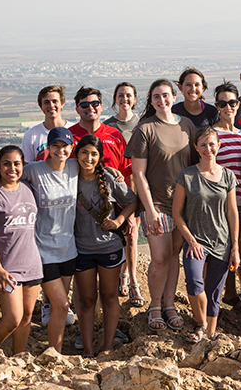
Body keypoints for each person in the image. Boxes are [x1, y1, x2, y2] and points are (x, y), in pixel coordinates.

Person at [125, 79, 196, 331]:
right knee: (160, 256)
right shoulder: (145, 129)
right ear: (151, 100)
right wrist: (150, 211)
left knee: (174, 255)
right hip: (156, 203)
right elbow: (139, 174)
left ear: (174, 96)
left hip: (182, 203)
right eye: (156, 96)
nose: (161, 100)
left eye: (165, 95)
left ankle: (169, 305)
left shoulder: (186, 125)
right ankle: (154, 306)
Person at [72, 86, 140, 308]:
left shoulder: (114, 135)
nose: (90, 108)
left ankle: (111, 327)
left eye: (94, 104)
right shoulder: (71, 136)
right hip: (78, 217)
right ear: (77, 109)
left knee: (109, 291)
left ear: (102, 107)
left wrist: (128, 215)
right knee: (85, 289)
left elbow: (126, 173)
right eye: (84, 104)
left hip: (113, 211)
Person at [0, 145, 43, 354]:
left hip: (32, 264)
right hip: (5, 267)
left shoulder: (29, 189)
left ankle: (18, 358)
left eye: (16, 164)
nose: (12, 168)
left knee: (26, 317)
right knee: (12, 317)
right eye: (6, 163)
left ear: (23, 166)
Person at [173, 127, 240, 342]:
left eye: (212, 144)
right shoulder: (187, 176)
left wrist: (235, 247)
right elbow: (176, 213)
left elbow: (232, 212)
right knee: (194, 282)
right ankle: (201, 323)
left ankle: (209, 333)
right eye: (203, 144)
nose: (208, 149)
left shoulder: (228, 176)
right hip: (196, 241)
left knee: (214, 292)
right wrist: (191, 240)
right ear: (196, 148)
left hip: (222, 242)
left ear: (219, 145)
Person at [74, 135, 138, 355]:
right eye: (84, 152)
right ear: (77, 153)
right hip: (81, 249)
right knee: (87, 299)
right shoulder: (70, 177)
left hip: (109, 248)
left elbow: (131, 201)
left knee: (109, 297)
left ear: (100, 157)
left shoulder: (109, 178)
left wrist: (119, 221)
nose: (88, 158)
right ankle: (88, 349)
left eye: (93, 154)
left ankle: (108, 345)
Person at [20, 126, 79, 352]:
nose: (60, 150)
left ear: (71, 148)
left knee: (59, 309)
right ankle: (56, 354)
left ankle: (55, 348)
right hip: (43, 250)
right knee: (62, 306)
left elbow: (96, 169)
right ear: (48, 148)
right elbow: (9, 178)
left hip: (68, 249)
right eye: (55, 146)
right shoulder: (34, 170)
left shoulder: (74, 167)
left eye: (65, 146)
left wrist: (115, 173)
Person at [211, 81, 241, 314]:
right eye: (222, 103)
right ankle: (226, 293)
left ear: (238, 105)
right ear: (216, 106)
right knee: (223, 249)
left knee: (240, 246)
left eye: (232, 102)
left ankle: (235, 291)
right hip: (220, 202)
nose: (228, 107)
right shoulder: (213, 134)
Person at [22, 85, 70, 163]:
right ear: (41, 107)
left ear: (62, 104)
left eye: (55, 101)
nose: (51, 106)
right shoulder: (31, 135)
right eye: (46, 102)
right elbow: (27, 168)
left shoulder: (73, 130)